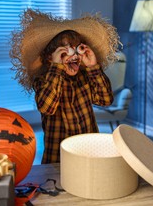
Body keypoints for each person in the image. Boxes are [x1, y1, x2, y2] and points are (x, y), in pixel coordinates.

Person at [10, 9, 120, 163]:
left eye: (76, 48)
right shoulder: (44, 80)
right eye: (65, 50)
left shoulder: (85, 77)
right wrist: (56, 67)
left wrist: (93, 67)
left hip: (88, 152)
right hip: (58, 156)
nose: (74, 55)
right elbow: (46, 107)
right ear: (50, 58)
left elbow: (106, 100)